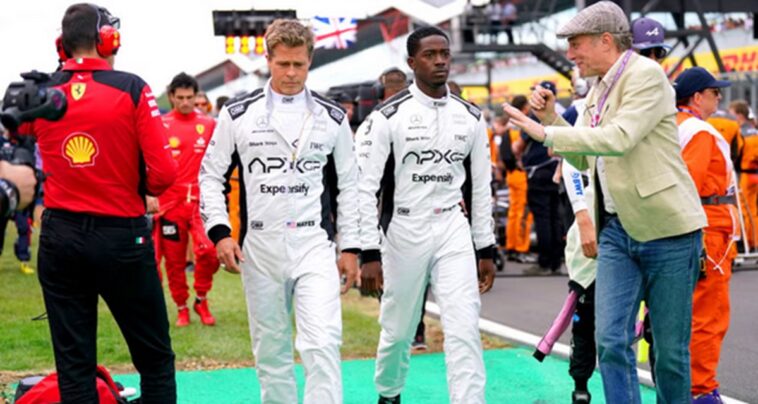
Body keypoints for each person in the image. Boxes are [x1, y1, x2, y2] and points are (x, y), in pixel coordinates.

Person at [503, 2, 706, 402]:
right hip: (616, 230)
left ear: (606, 41)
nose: (570, 54)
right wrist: (551, 119)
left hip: (668, 230)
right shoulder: (599, 87)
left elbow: (618, 139)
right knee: (610, 341)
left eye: (575, 44)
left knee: (669, 354)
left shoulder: (646, 75)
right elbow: (584, 158)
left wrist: (547, 134)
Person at [199, 19, 360, 404]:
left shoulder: (333, 117)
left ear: (310, 61)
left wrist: (352, 246)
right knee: (271, 353)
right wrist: (221, 233)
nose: (290, 73)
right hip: (261, 245)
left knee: (322, 343)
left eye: (299, 65)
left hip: (313, 243)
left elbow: (351, 185)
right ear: (268, 59)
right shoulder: (237, 114)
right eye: (282, 64)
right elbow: (210, 175)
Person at [25, 4, 177, 402]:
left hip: (60, 234)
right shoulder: (131, 87)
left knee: (75, 367)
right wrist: (137, 185)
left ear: (62, 44)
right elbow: (164, 173)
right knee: (155, 360)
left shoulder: (40, 93)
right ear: (108, 40)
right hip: (120, 235)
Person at [357, 26, 496, 404]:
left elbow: (480, 187)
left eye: (444, 54)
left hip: (452, 226)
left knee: (464, 327)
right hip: (404, 229)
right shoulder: (387, 117)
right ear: (412, 62)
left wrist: (485, 248)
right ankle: (389, 393)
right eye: (430, 55)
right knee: (398, 331)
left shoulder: (470, 116)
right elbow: (364, 188)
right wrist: (368, 252)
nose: (439, 62)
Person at [673, 67, 736, 403]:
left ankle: (689, 385)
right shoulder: (699, 132)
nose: (719, 97)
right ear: (697, 97)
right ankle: (701, 389)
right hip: (709, 228)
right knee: (708, 314)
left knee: (685, 313)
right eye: (714, 92)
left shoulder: (675, 125)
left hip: (695, 227)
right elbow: (690, 183)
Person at [149, 72, 219, 327]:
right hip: (170, 204)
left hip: (201, 203)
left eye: (190, 97)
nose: (186, 102)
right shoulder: (160, 124)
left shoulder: (209, 125)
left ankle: (201, 298)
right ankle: (181, 307)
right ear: (171, 97)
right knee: (174, 262)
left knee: (210, 251)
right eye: (180, 98)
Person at [513, 82, 563, 275]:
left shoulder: (535, 116)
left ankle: (544, 262)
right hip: (556, 169)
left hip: (538, 172)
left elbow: (518, 146)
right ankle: (556, 262)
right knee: (555, 216)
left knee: (542, 217)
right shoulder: (559, 114)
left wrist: (519, 158)